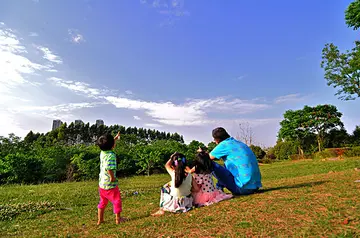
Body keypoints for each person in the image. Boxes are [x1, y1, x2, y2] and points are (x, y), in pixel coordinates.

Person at [209, 127, 262, 195]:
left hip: (242, 188)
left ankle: (218, 189)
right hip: (254, 186)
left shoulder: (224, 144)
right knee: (228, 164)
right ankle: (219, 187)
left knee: (209, 163)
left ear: (217, 139)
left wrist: (190, 170)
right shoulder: (239, 143)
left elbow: (205, 159)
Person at [96, 132, 126, 225]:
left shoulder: (103, 152)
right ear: (112, 145)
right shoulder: (111, 155)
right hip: (110, 184)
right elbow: (109, 168)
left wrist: (115, 138)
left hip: (102, 184)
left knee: (103, 202)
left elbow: (107, 144)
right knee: (116, 200)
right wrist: (112, 178)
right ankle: (118, 219)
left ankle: (100, 220)